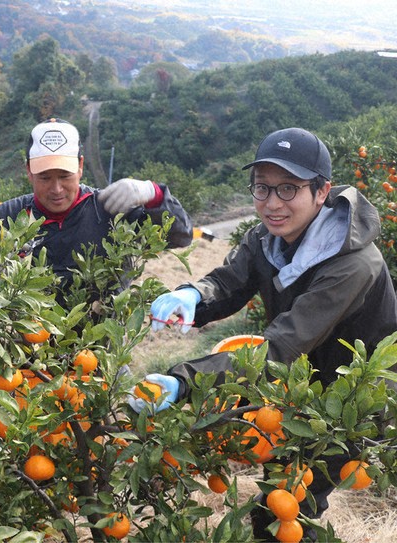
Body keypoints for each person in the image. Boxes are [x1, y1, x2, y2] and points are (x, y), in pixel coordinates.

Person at [130, 127, 397, 540]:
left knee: (288, 510)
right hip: (299, 386)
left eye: (288, 189)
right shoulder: (266, 236)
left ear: (322, 191)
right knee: (275, 504)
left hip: (351, 402)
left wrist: (183, 379)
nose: (272, 203)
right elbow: (231, 281)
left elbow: (280, 347)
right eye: (262, 188)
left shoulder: (353, 264)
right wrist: (192, 295)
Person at [0, 118, 193, 292]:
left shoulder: (110, 210)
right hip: (24, 338)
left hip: (100, 337)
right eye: (44, 178)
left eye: (64, 176)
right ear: (29, 171)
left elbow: (181, 236)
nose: (56, 189)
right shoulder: (7, 217)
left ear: (80, 167)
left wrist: (155, 195)